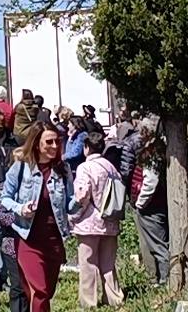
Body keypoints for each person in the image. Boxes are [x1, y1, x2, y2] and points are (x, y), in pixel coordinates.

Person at [0, 122, 73, 312]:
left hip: (54, 240)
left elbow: (69, 206)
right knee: (39, 291)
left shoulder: (63, 169)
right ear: (36, 143)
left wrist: (81, 199)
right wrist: (20, 208)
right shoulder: (21, 167)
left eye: (58, 141)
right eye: (49, 142)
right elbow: (4, 198)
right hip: (28, 238)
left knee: (47, 292)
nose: (55, 146)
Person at [70, 131, 125, 308]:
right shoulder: (111, 168)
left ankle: (89, 302)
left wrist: (73, 215)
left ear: (86, 147)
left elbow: (82, 195)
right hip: (110, 219)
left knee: (88, 263)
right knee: (108, 263)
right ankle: (114, 297)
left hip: (89, 221)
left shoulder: (84, 168)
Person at [131, 116, 169, 286]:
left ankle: (166, 281)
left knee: (158, 245)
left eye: (141, 130)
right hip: (154, 204)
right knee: (157, 244)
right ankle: (163, 279)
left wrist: (140, 203)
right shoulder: (156, 148)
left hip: (152, 207)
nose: (139, 133)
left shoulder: (152, 151)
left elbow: (151, 181)